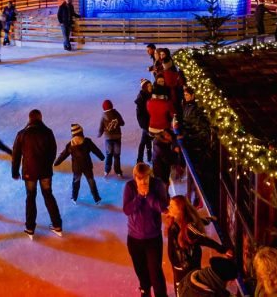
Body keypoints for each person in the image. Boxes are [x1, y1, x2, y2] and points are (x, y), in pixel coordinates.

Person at [11, 109, 62, 238]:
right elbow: (53, 151)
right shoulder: (48, 132)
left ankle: (30, 228)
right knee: (48, 195)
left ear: (29, 119)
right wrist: (48, 165)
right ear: (40, 118)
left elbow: (16, 155)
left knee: (30, 197)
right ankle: (57, 225)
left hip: (29, 172)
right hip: (45, 171)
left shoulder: (22, 134)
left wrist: (15, 171)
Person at [123, 161, 169, 297]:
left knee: (155, 272)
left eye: (145, 179)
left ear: (150, 176)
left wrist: (148, 196)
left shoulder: (158, 185)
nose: (143, 182)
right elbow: (127, 210)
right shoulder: (130, 187)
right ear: (135, 178)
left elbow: (162, 207)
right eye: (139, 179)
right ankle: (145, 291)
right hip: (134, 238)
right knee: (141, 270)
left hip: (153, 238)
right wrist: (138, 197)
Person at [166, 194, 230, 292]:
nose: (169, 208)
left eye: (172, 206)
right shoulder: (176, 223)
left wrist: (223, 249)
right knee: (181, 289)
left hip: (187, 267)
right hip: (179, 266)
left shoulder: (188, 227)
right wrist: (209, 219)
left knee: (188, 289)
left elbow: (204, 239)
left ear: (180, 210)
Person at [54, 123, 105, 204]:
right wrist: (102, 157)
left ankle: (74, 197)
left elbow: (63, 155)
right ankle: (97, 198)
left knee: (76, 182)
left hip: (77, 168)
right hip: (87, 166)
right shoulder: (87, 141)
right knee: (91, 181)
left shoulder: (70, 145)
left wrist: (56, 163)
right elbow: (95, 150)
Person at [99, 99, 125, 178]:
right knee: (117, 155)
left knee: (109, 154)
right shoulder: (116, 113)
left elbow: (101, 126)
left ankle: (106, 170)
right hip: (117, 137)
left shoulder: (103, 116)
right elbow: (122, 123)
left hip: (108, 138)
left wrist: (100, 133)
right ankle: (118, 171)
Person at [135, 79, 154, 164]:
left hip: (152, 122)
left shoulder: (151, 95)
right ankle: (141, 159)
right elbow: (139, 115)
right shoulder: (141, 98)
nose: (150, 87)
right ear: (144, 87)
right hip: (146, 124)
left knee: (146, 140)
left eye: (151, 85)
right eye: (148, 86)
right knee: (144, 141)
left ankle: (146, 158)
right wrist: (144, 126)